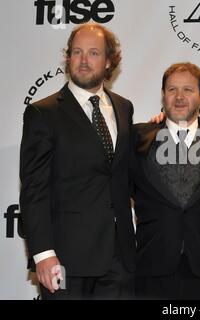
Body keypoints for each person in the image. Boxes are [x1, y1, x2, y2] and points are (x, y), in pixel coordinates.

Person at [19, 23, 136, 299]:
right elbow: (34, 190)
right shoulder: (43, 113)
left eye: (93, 53)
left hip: (120, 258)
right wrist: (44, 254)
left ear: (109, 62)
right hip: (65, 258)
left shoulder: (123, 107)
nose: (83, 60)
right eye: (76, 52)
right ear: (68, 57)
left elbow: (124, 171)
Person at [131, 63, 200, 299]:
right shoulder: (137, 138)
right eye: (172, 89)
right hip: (152, 268)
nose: (179, 97)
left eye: (188, 90)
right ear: (163, 95)